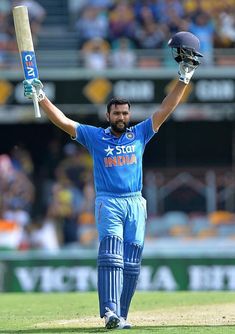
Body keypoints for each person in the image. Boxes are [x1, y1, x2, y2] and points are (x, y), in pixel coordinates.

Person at [23, 31, 202, 330]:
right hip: (109, 202)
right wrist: (41, 98)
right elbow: (65, 121)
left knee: (131, 263)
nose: (121, 116)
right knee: (111, 256)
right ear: (108, 115)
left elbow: (165, 108)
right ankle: (109, 312)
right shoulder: (95, 137)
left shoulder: (140, 133)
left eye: (125, 113)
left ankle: (123, 315)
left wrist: (184, 78)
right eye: (116, 113)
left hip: (136, 202)